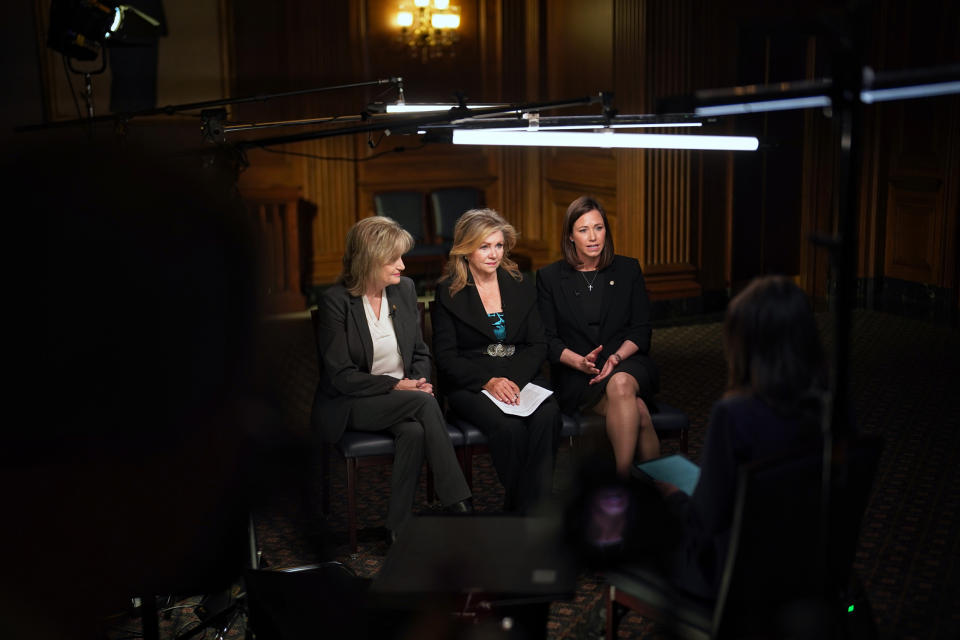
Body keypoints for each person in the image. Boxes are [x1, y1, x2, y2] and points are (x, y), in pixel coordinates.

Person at [657, 275, 827, 598]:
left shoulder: (735, 416)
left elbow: (704, 522)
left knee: (638, 531)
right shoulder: (832, 411)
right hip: (805, 570)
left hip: (734, 577)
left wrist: (673, 497)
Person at [312, 216, 472, 540]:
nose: (402, 265)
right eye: (393, 258)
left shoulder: (404, 289)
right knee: (425, 406)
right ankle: (459, 503)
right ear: (370, 259)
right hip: (353, 403)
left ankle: (397, 528)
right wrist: (400, 386)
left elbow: (420, 351)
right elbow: (342, 376)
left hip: (402, 399)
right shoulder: (336, 301)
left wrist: (419, 379)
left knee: (413, 431)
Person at [432, 209, 562, 513]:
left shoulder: (519, 284)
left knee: (549, 415)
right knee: (510, 429)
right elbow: (446, 357)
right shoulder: (447, 291)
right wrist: (489, 382)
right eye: (484, 246)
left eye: (499, 246)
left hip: (520, 376)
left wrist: (513, 380)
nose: (493, 254)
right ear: (466, 249)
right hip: (473, 384)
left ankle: (527, 507)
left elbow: (537, 343)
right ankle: (526, 511)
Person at [536, 196, 660, 479]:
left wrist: (616, 358)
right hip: (578, 374)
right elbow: (548, 339)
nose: (593, 237)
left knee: (621, 384)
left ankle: (620, 482)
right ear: (570, 236)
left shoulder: (628, 269)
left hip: (627, 362)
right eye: (583, 230)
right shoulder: (550, 277)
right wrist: (578, 362)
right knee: (637, 410)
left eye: (599, 228)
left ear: (607, 230)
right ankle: (655, 488)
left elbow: (641, 329)